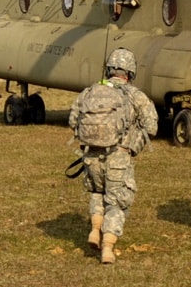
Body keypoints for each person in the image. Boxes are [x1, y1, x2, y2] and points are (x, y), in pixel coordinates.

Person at [68, 48, 159, 264]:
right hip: (119, 156)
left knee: (98, 192)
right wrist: (133, 146)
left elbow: (73, 121)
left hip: (91, 156)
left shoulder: (90, 91)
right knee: (118, 202)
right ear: (130, 72)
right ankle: (107, 247)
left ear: (109, 69)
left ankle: (95, 229)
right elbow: (151, 126)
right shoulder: (135, 96)